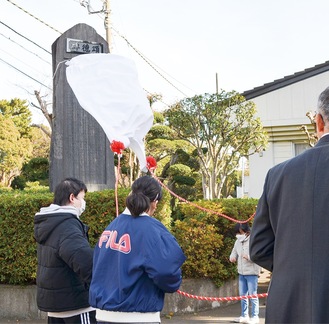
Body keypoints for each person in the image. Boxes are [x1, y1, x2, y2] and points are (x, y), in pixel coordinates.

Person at [249, 85, 329, 323]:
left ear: (318, 122)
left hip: (289, 305)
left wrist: (294, 265)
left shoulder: (278, 175)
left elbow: (259, 248)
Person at [89, 175, 186, 324]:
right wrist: (173, 283)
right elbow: (166, 270)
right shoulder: (152, 230)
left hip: (103, 314)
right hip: (138, 314)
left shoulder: (112, 226)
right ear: (155, 202)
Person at [34, 177, 96, 324]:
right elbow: (84, 261)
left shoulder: (49, 222)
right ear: (72, 198)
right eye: (82, 198)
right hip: (76, 304)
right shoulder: (67, 225)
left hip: (56, 306)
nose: (83, 203)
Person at [229, 223, 260, 324]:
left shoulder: (253, 240)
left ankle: (255, 317)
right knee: (243, 295)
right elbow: (233, 252)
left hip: (251, 272)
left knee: (253, 295)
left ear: (246, 231)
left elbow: (258, 254)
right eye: (237, 233)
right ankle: (244, 316)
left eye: (240, 232)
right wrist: (232, 257)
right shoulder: (237, 241)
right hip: (241, 272)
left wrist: (248, 257)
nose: (238, 234)